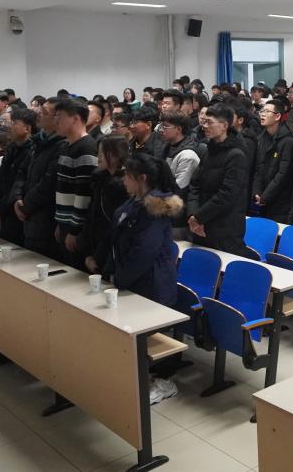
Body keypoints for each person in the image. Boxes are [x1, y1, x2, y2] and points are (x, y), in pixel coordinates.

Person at [105, 152, 181, 404]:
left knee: (155, 333)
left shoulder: (155, 209)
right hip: (133, 279)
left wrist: (120, 277)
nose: (123, 180)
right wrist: (110, 269)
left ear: (142, 179)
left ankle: (165, 381)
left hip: (152, 281)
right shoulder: (134, 203)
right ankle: (141, 375)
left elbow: (143, 252)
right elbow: (116, 239)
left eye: (127, 176)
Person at [186, 103, 250, 255]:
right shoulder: (208, 150)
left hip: (224, 228)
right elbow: (194, 185)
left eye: (209, 122)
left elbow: (226, 195)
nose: (204, 126)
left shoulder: (236, 155)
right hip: (200, 225)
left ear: (224, 126)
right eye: (204, 122)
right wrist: (193, 215)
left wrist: (199, 217)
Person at [13, 98, 66, 258]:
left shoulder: (62, 145)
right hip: (28, 216)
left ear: (57, 118)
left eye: (44, 112)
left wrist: (26, 206)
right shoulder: (38, 141)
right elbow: (22, 172)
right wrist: (17, 197)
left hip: (45, 217)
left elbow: (48, 184)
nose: (39, 115)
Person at [53, 99, 98, 268]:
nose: (56, 121)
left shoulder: (86, 147)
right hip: (65, 222)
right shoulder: (66, 145)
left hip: (77, 227)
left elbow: (84, 193)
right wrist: (60, 222)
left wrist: (74, 230)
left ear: (76, 118)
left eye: (60, 117)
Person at [0, 108, 36, 245]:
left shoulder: (32, 151)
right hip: (2, 210)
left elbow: (19, 184)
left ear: (27, 128)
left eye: (13, 123)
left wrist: (0, 208)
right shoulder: (11, 148)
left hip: (15, 212)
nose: (9, 127)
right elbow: (0, 178)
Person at [82, 135, 130, 274]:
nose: (98, 157)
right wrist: (87, 251)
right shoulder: (100, 179)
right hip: (95, 244)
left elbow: (112, 226)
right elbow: (92, 215)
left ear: (116, 155)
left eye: (102, 153)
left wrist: (97, 257)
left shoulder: (123, 186)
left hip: (111, 252)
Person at [252, 98, 293, 222]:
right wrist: (256, 192)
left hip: (280, 201)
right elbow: (258, 168)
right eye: (262, 111)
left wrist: (266, 196)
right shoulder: (261, 139)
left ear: (277, 116)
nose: (262, 114)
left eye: (267, 111)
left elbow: (283, 174)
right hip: (262, 198)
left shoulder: (288, 140)